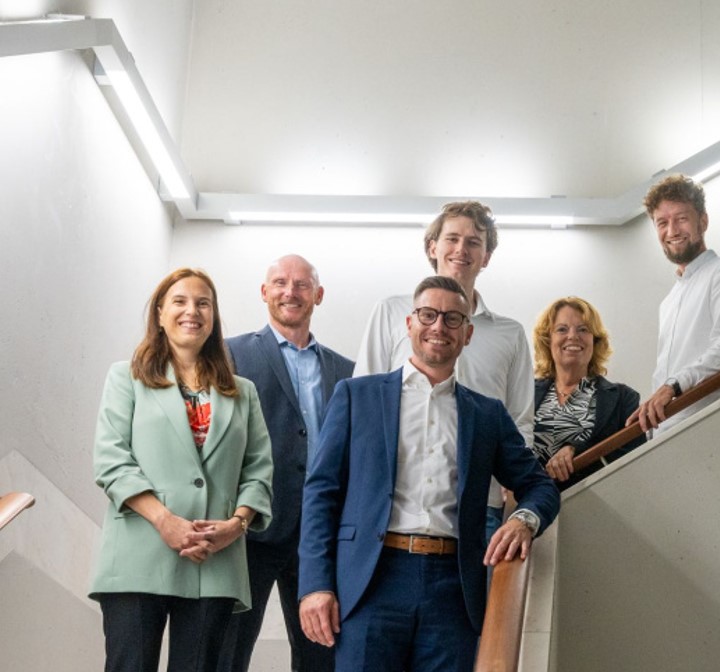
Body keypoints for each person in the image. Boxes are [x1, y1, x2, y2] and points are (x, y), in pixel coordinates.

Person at [298, 276, 559, 672]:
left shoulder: (486, 414)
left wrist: (524, 520)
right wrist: (315, 585)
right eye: (428, 315)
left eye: (453, 318)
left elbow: (539, 486)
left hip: (452, 590)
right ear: (409, 324)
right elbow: (321, 494)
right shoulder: (356, 395)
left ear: (467, 334)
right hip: (370, 582)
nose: (439, 326)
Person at [89, 268, 273, 672]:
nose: (192, 311)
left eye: (203, 303)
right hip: (139, 556)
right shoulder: (126, 378)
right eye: (180, 301)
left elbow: (259, 471)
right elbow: (111, 459)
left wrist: (236, 525)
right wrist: (164, 520)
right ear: (159, 313)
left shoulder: (243, 392)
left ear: (214, 317)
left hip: (215, 558)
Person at [354, 201, 534, 541]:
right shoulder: (391, 312)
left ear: (486, 257)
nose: (461, 249)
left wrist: (513, 479)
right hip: (395, 504)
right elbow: (364, 408)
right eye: (452, 238)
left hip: (481, 504)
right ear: (432, 247)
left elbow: (519, 419)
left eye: (473, 242)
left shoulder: (510, 334)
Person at [218, 255, 354, 672]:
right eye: (280, 283)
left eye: (301, 284)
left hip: (321, 533)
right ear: (264, 292)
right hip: (251, 526)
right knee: (228, 652)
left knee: (321, 653)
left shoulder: (347, 371)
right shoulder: (230, 354)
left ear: (318, 295)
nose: (290, 292)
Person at [628, 174, 720, 433]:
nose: (672, 231)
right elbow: (663, 378)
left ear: (703, 221)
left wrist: (674, 386)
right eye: (662, 222)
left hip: (719, 425)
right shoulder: (668, 303)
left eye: (681, 218)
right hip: (670, 433)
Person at [531, 297, 646, 490]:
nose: (572, 336)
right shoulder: (525, 393)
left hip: (595, 501)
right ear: (548, 340)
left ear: (595, 340)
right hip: (530, 503)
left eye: (583, 329)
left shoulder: (623, 398)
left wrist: (576, 449)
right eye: (562, 329)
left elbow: (635, 458)